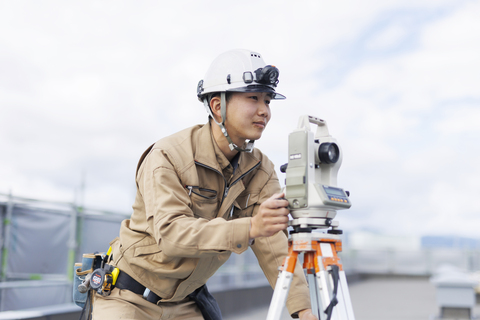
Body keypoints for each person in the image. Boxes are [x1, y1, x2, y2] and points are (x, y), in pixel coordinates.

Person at [92, 49, 317, 320]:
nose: (264, 111)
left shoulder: (261, 169)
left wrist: (303, 310)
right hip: (129, 297)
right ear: (217, 106)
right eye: (253, 98)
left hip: (186, 301)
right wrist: (252, 226)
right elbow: (172, 235)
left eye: (268, 100)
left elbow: (273, 244)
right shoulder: (167, 155)